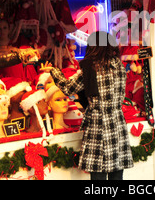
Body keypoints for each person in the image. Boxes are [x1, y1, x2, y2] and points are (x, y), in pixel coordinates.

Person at [41, 31, 134, 180]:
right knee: (117, 171)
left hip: (98, 123)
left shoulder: (91, 67)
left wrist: (54, 71)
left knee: (98, 172)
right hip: (117, 121)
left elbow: (68, 88)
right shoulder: (119, 66)